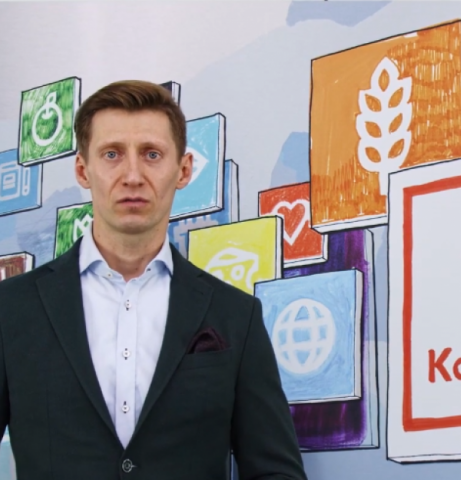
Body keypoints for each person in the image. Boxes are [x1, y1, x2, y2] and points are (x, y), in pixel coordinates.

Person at [0, 80, 307, 480]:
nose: (132, 175)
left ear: (183, 170)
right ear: (82, 170)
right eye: (112, 154)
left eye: (152, 154)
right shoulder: (11, 308)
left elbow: (275, 471)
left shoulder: (236, 315)